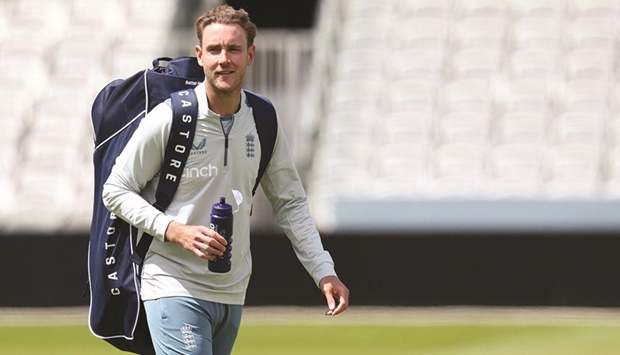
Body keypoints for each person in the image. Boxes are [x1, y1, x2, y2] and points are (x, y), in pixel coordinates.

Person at [102, 4, 349, 355]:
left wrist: (324, 271)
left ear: (250, 55)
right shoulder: (170, 117)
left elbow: (290, 203)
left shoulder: (263, 118)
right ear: (199, 55)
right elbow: (115, 190)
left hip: (232, 290)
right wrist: (175, 231)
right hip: (173, 282)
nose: (224, 59)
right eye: (215, 50)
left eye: (233, 49)